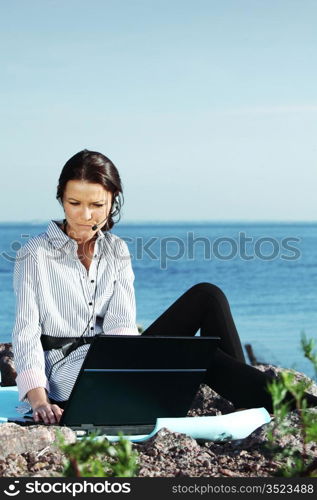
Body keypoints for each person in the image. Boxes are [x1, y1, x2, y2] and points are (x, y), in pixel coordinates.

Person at [12, 149, 317, 425]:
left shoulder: (116, 250)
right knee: (202, 356)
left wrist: (139, 364)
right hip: (70, 382)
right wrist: (40, 401)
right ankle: (296, 404)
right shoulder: (34, 254)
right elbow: (25, 333)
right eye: (74, 203)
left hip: (114, 364)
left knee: (207, 295)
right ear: (60, 198)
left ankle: (244, 397)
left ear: (113, 199)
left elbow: (121, 327)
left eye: (97, 204)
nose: (85, 215)